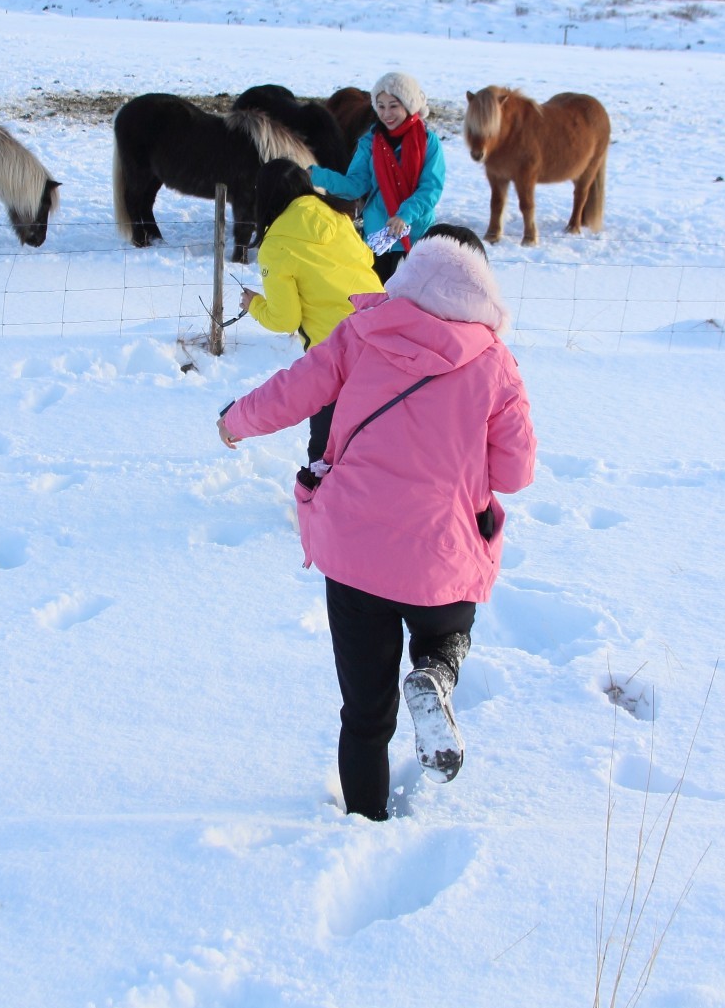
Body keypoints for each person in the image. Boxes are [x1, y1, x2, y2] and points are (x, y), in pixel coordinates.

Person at [217, 224, 536, 821]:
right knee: (446, 628)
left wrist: (236, 420)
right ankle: (437, 671)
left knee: (364, 716)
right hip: (439, 556)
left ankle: (364, 825)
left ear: (413, 270)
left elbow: (294, 390)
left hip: (355, 553)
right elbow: (515, 472)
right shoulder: (495, 363)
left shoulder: (363, 330)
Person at [237, 158, 383, 463]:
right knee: (376, 433)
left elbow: (284, 318)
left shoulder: (275, 244)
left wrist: (254, 305)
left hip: (336, 353)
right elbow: (367, 260)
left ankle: (318, 498)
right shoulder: (338, 215)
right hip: (382, 332)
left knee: (326, 445)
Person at [308, 71, 445, 283]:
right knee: (377, 302)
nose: (386, 113)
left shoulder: (428, 141)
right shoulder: (369, 143)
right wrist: (316, 176)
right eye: (380, 106)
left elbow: (430, 189)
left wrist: (404, 216)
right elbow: (355, 185)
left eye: (393, 106)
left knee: (408, 305)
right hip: (378, 237)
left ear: (408, 105)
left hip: (415, 235)